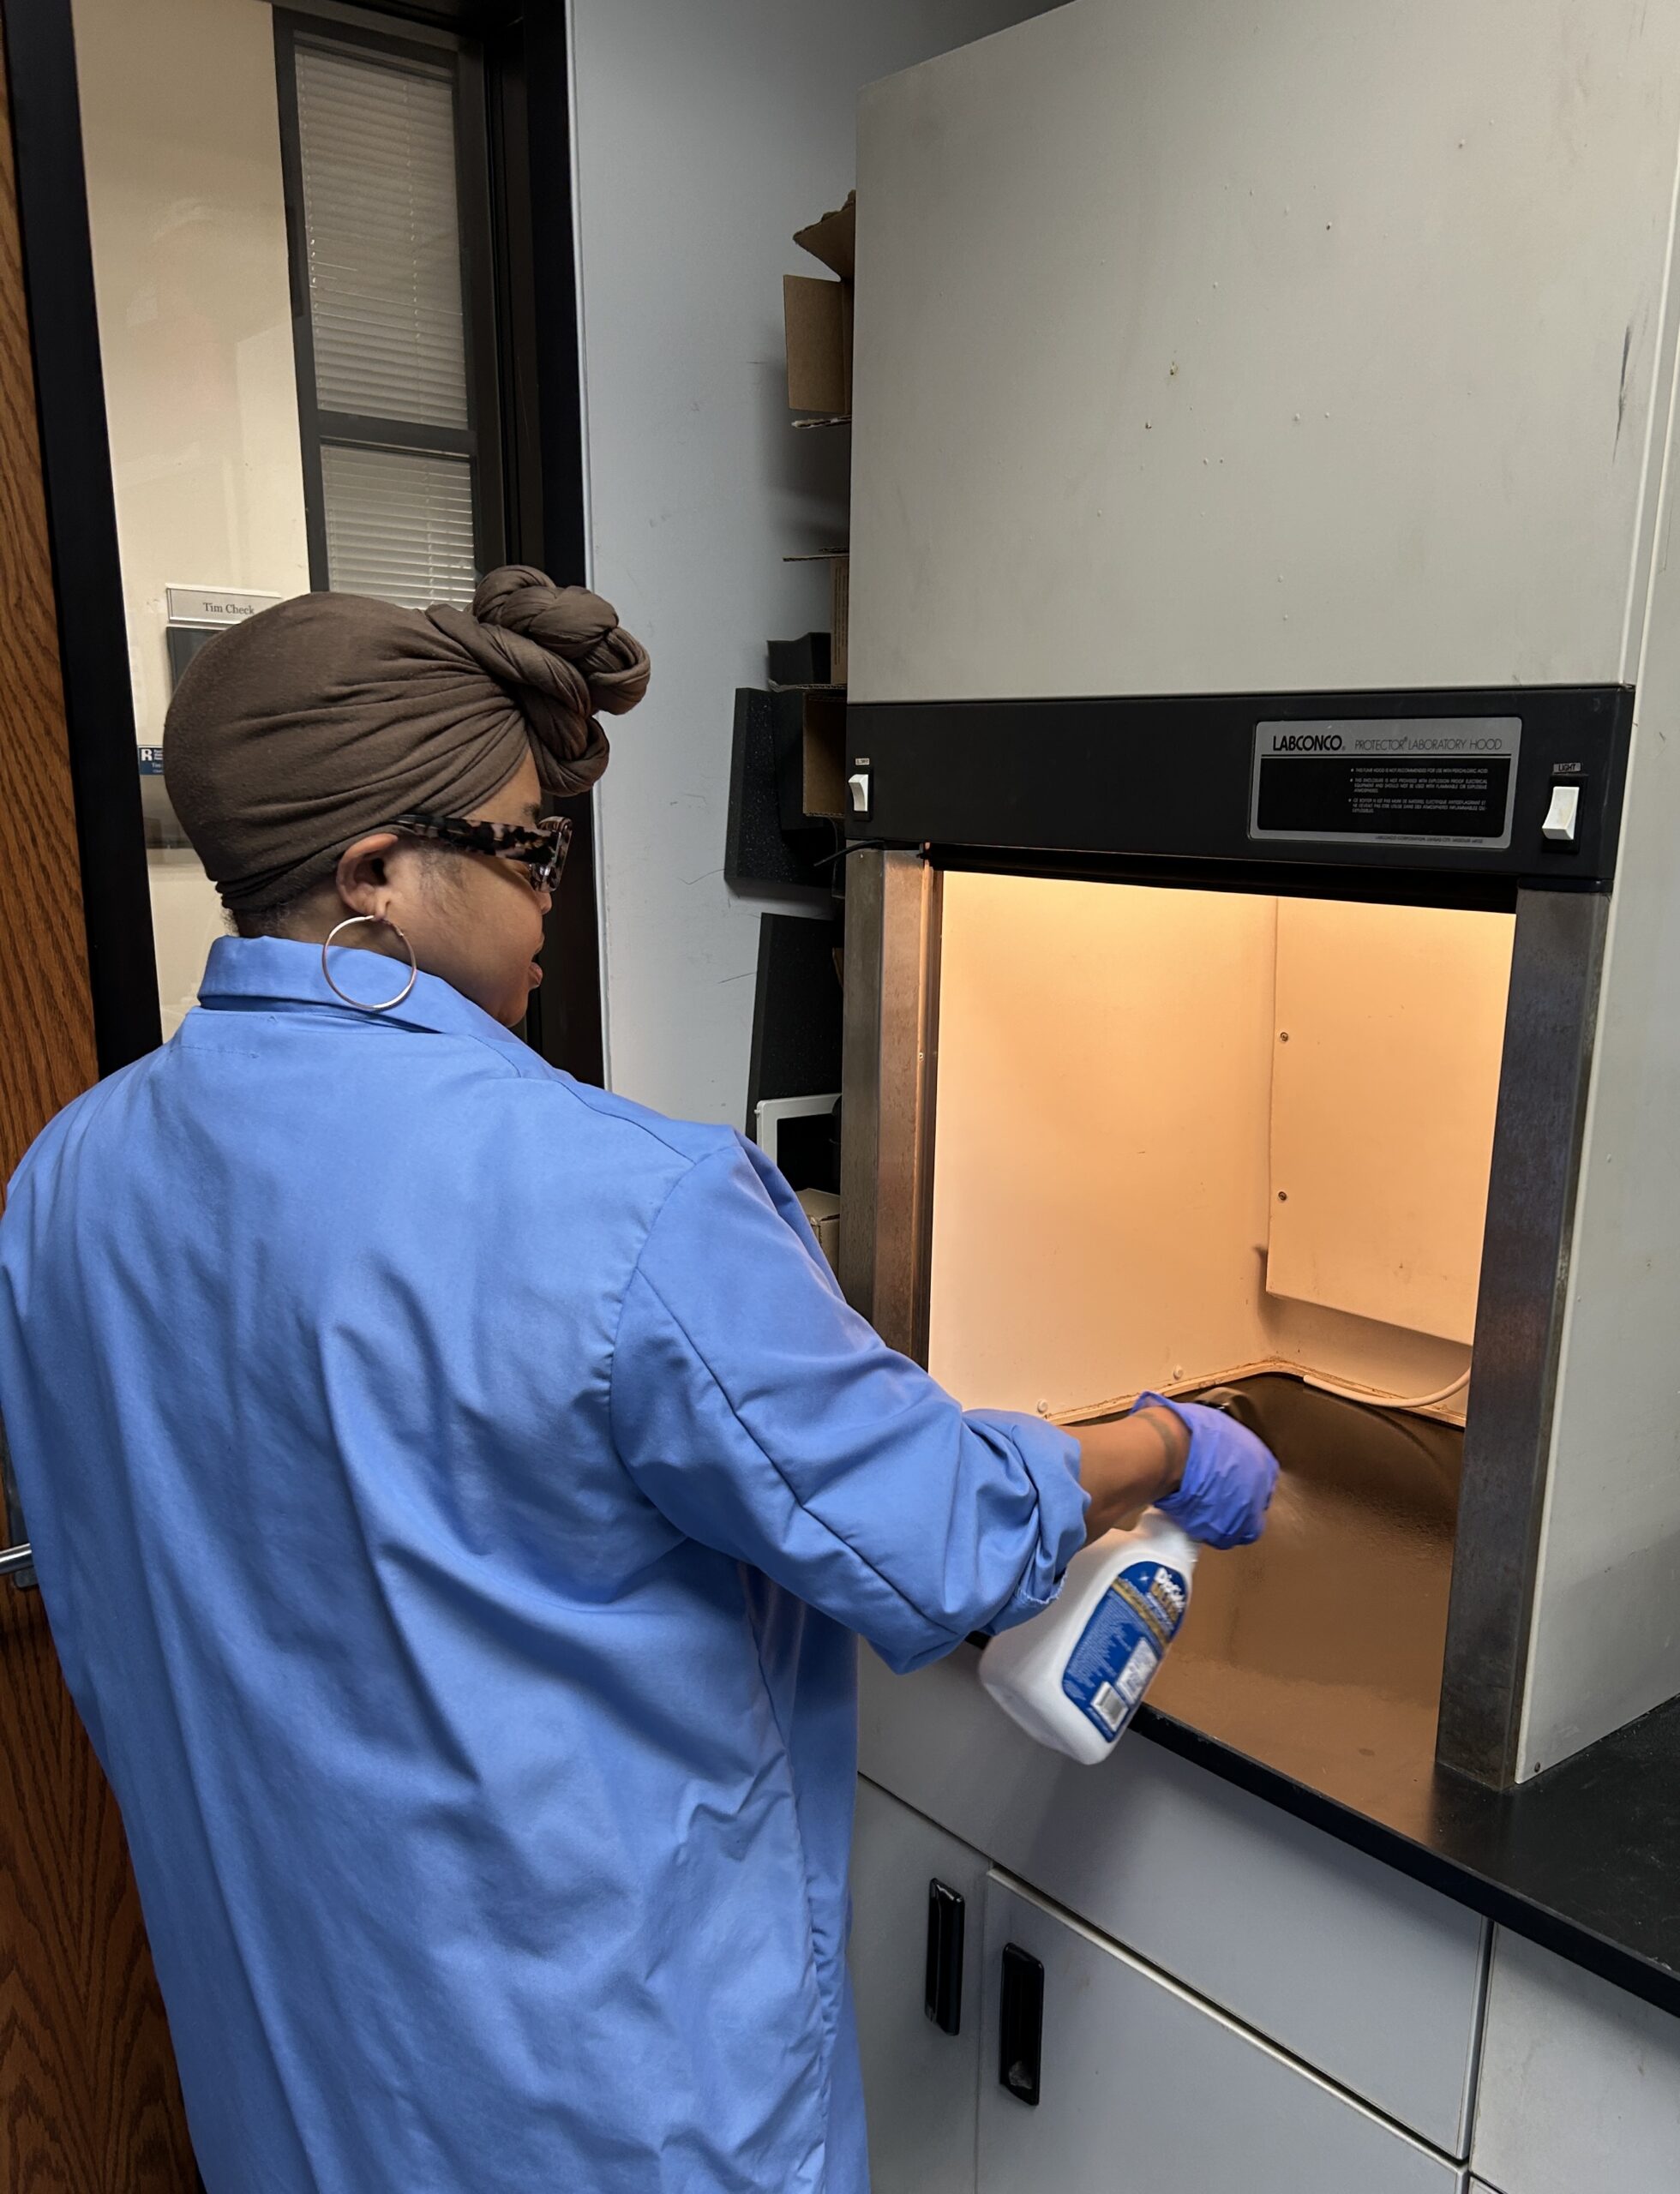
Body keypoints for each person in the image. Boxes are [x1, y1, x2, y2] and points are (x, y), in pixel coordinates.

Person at [0, 567, 1276, 2193]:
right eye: (528, 852)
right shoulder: (622, 1200)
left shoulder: (69, 1178)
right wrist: (1168, 1444)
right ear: (375, 873)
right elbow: (937, 1532)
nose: (551, 903)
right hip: (595, 2103)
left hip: (293, 2071)